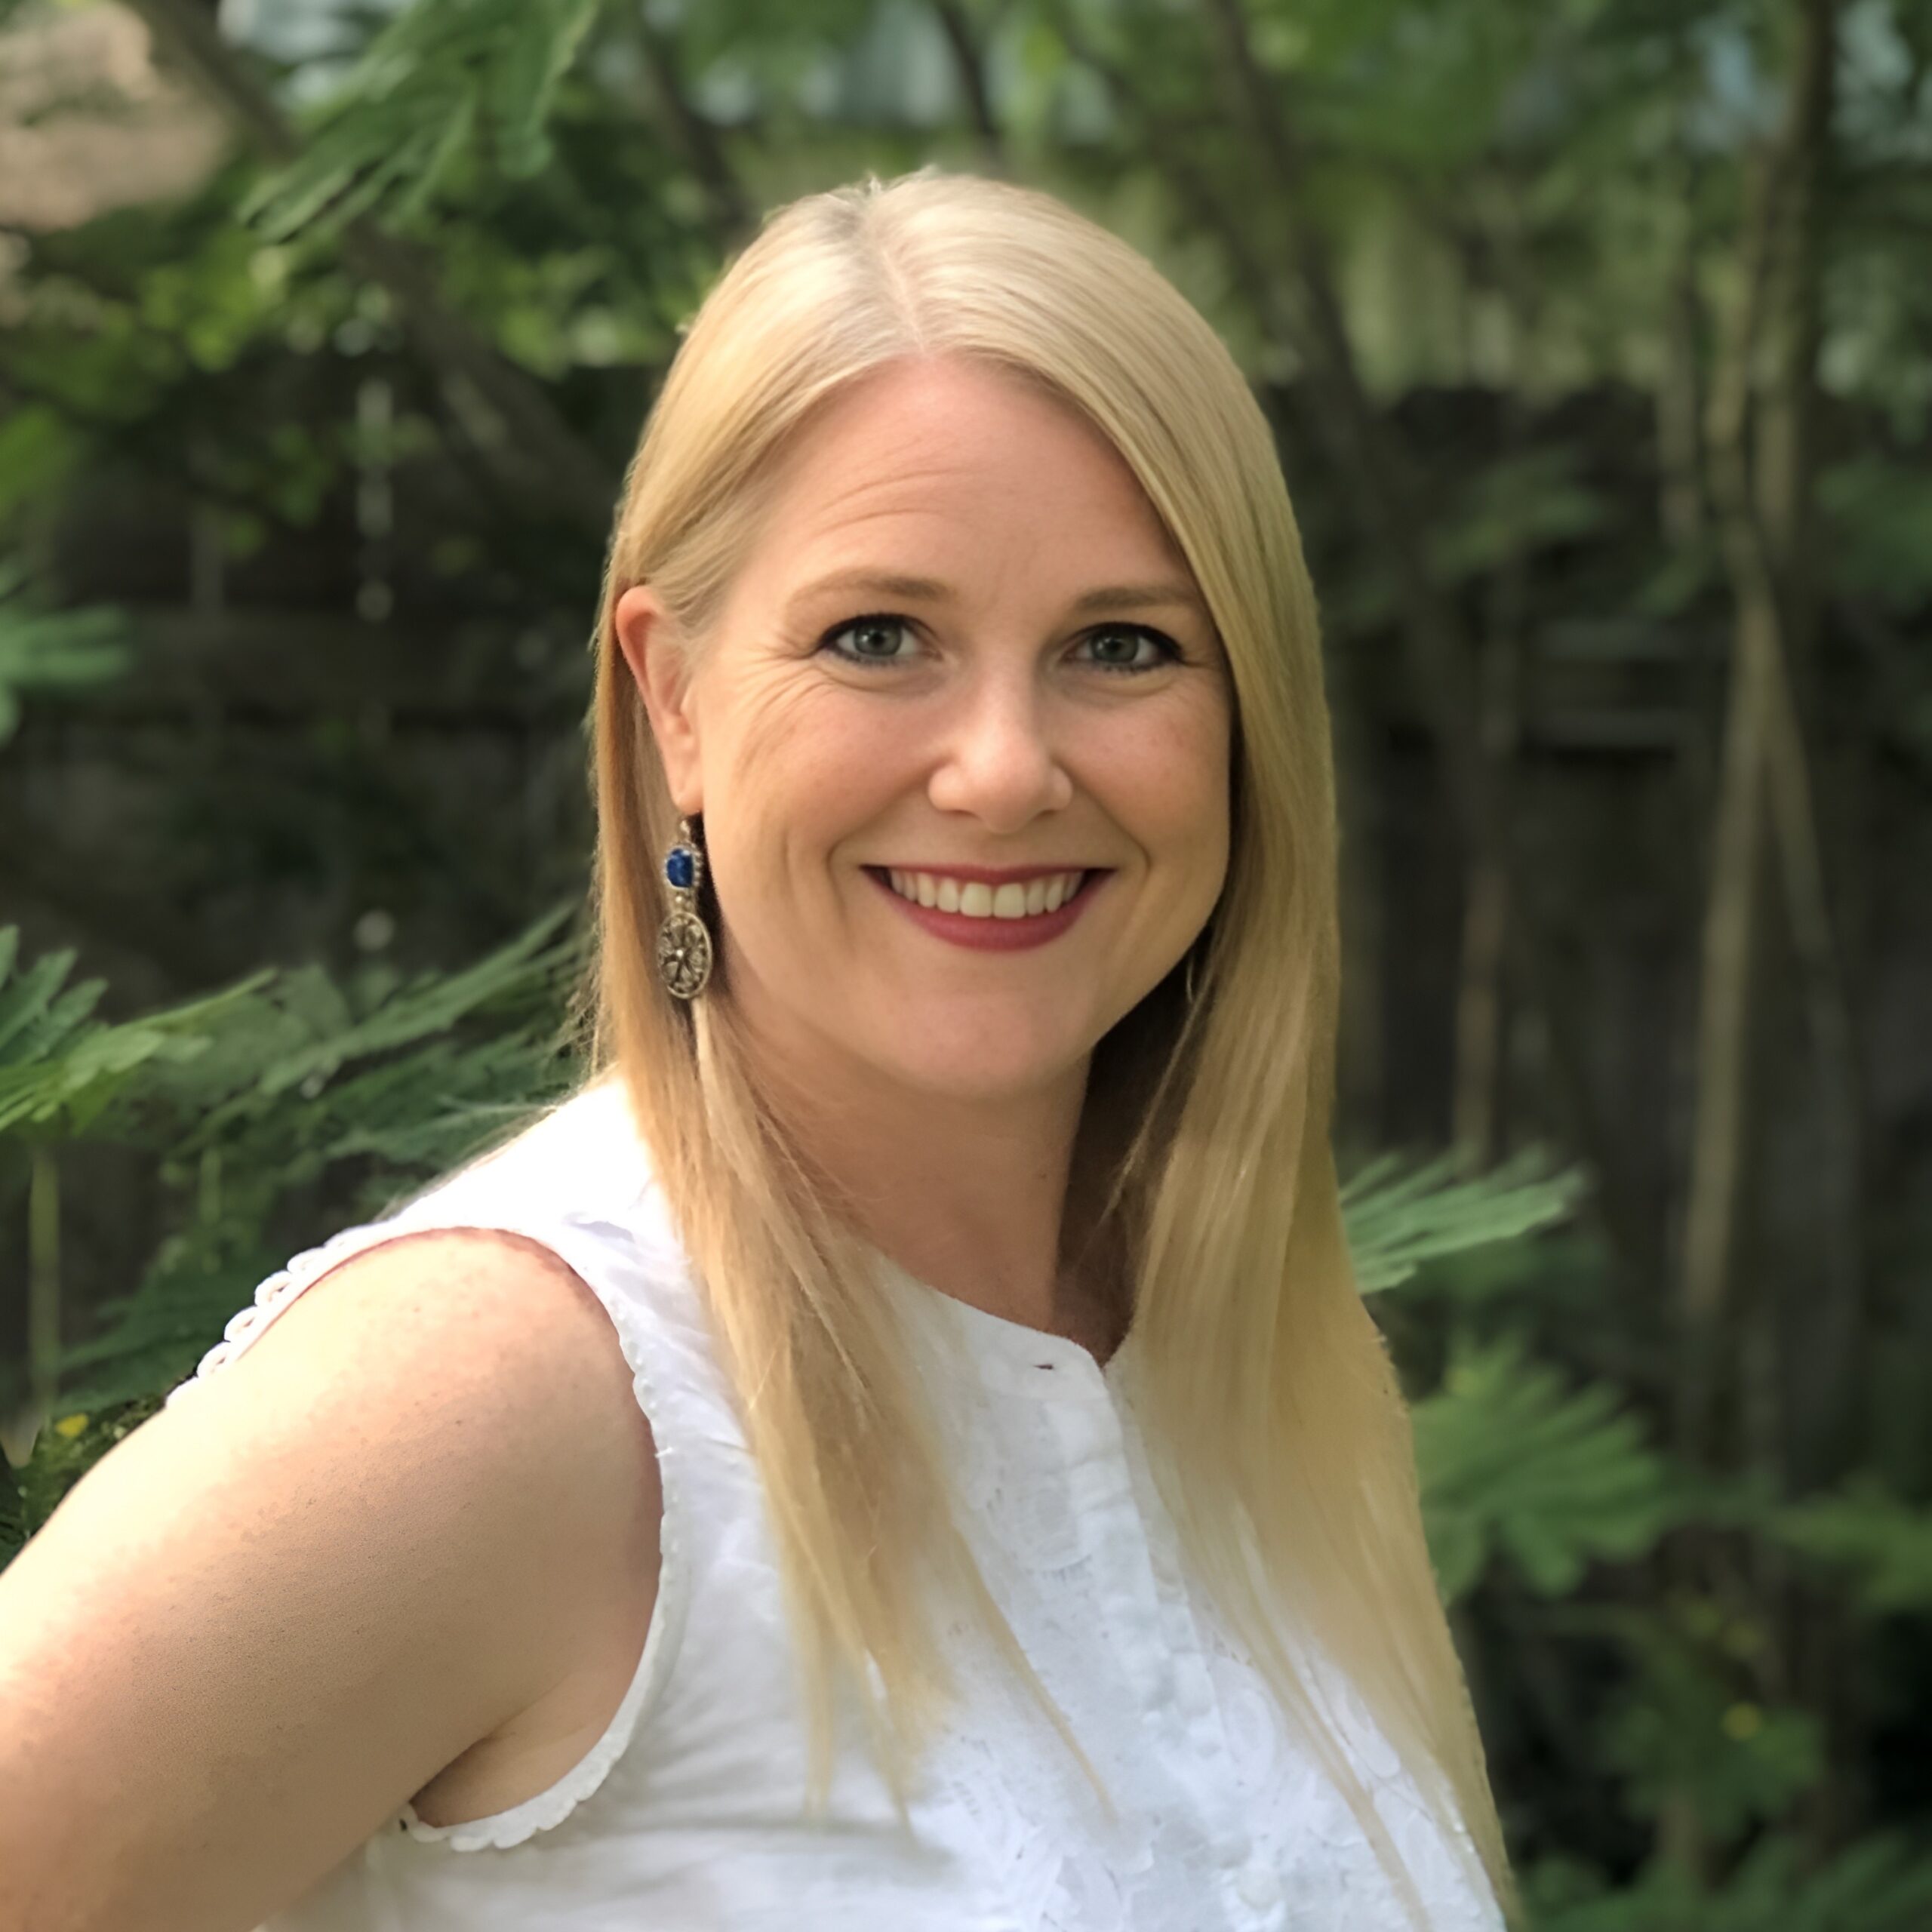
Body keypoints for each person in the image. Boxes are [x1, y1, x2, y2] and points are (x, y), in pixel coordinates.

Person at [0, 169, 1513, 1932]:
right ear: (677, 697)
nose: (1006, 766)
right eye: (879, 636)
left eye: (1123, 643)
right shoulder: (511, 1391)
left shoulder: (1256, 1374)